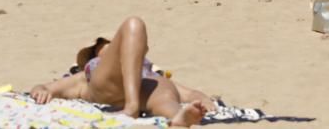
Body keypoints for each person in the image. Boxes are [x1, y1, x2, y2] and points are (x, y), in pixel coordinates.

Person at [29, 16, 210, 127]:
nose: (114, 46)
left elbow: (188, 93)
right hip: (111, 86)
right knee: (134, 24)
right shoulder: (87, 74)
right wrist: (41, 90)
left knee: (165, 95)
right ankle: (132, 106)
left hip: (146, 84)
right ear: (94, 54)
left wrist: (203, 98)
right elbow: (48, 88)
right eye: (104, 45)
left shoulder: (152, 72)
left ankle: (177, 117)